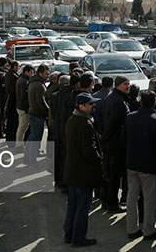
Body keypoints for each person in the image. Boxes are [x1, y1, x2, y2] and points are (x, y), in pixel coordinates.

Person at [122, 90, 156, 240]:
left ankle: (131, 229)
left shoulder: (130, 118)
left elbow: (124, 140)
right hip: (149, 166)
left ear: (140, 102)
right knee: (149, 199)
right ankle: (148, 229)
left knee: (131, 197)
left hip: (132, 163)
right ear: (154, 103)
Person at [63, 92, 104, 248]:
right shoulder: (85, 124)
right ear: (81, 106)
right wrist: (100, 159)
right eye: (90, 104)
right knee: (82, 208)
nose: (93, 106)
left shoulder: (72, 120)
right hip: (83, 174)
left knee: (72, 205)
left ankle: (69, 234)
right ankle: (78, 238)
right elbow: (90, 151)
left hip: (72, 171)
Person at [101, 75, 131, 213]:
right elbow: (114, 124)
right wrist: (107, 137)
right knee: (114, 175)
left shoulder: (112, 98)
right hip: (116, 145)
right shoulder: (119, 102)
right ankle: (112, 203)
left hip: (111, 143)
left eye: (128, 83)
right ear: (118, 85)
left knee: (111, 174)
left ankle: (108, 201)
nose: (128, 86)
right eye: (125, 84)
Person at [24, 64, 50, 167]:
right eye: (46, 74)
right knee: (35, 139)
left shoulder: (34, 82)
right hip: (37, 115)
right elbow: (41, 103)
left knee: (32, 138)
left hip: (34, 113)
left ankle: (28, 158)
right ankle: (32, 161)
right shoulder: (39, 85)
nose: (48, 75)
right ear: (40, 73)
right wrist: (48, 112)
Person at [52, 74, 70, 186]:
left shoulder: (54, 95)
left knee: (57, 154)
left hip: (56, 127)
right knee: (63, 155)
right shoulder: (67, 96)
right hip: (63, 127)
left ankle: (57, 178)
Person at [15, 65, 34, 149]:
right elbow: (24, 96)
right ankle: (19, 145)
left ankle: (19, 144)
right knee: (22, 127)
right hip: (23, 107)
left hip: (21, 106)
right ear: (26, 72)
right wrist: (27, 108)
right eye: (31, 72)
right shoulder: (24, 81)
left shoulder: (21, 79)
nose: (32, 74)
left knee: (22, 126)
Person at [4, 61, 20, 142]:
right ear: (15, 67)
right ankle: (11, 139)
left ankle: (9, 138)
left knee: (10, 122)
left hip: (9, 100)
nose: (18, 68)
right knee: (13, 122)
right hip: (13, 101)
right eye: (18, 67)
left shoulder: (8, 74)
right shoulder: (14, 76)